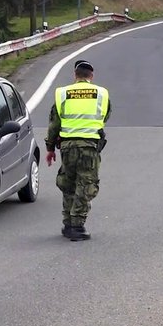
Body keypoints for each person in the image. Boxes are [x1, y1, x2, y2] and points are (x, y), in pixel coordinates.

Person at [45, 60, 111, 242]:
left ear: (75, 75)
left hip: (67, 147)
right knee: (86, 184)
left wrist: (50, 148)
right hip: (89, 147)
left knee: (69, 183)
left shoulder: (62, 93)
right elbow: (105, 116)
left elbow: (54, 124)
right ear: (92, 76)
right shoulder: (102, 93)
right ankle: (77, 225)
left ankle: (68, 223)